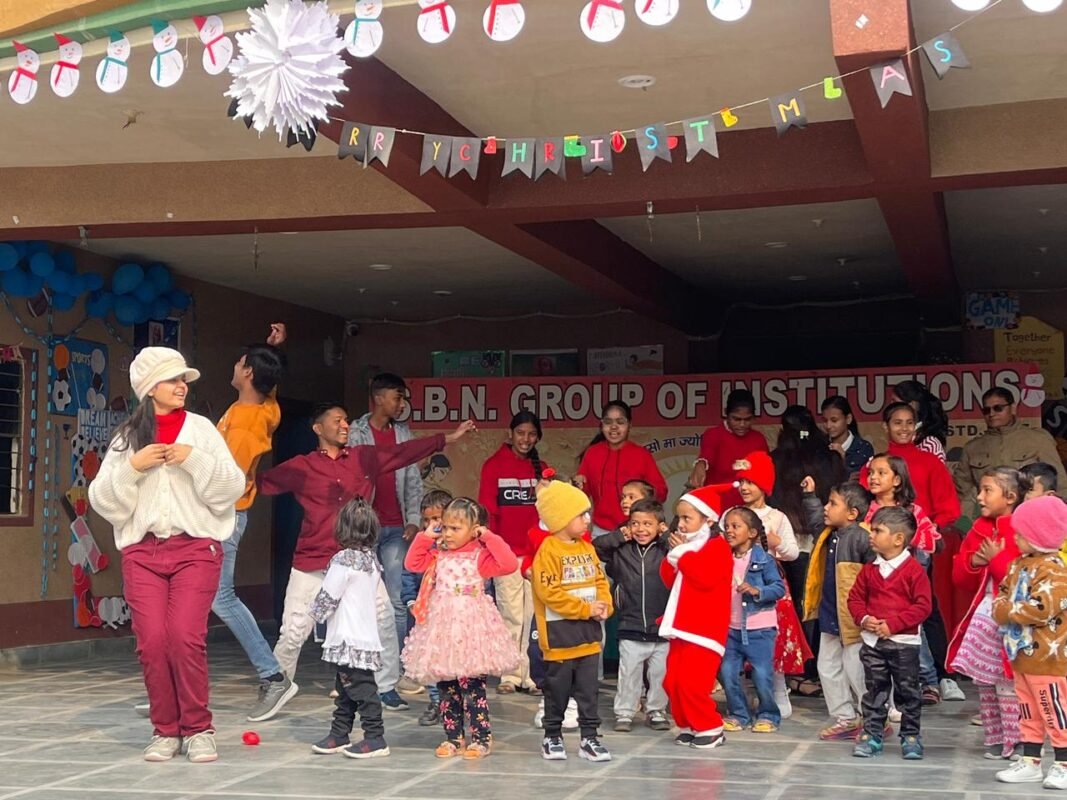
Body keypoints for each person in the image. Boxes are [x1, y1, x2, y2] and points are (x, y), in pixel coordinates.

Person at [258, 403, 475, 711]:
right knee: (293, 630)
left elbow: (404, 452)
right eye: (337, 420)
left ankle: (386, 687)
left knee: (383, 620)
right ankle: (276, 685)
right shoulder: (301, 467)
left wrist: (447, 438)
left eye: (346, 419)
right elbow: (259, 483)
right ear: (318, 429)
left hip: (359, 562)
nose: (345, 425)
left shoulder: (364, 458)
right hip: (313, 560)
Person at [89, 348, 245, 763]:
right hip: (143, 552)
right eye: (173, 379)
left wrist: (194, 460)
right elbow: (103, 500)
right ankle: (165, 730)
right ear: (149, 388)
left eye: (183, 380)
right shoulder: (127, 438)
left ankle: (198, 729)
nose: (182, 386)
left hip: (195, 548)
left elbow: (232, 487)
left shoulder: (201, 430)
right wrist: (133, 467)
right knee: (152, 642)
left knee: (184, 637)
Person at [213, 323, 297, 723]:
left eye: (240, 362)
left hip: (222, 515)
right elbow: (269, 384)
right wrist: (270, 350)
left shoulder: (247, 425)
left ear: (248, 372)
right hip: (223, 515)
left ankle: (273, 675)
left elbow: (224, 481)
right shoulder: (265, 407)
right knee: (196, 597)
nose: (234, 366)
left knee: (220, 597)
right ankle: (173, 688)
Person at [401, 497, 519, 759]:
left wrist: (488, 537)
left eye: (456, 528)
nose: (448, 533)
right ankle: (453, 737)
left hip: (471, 630)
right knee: (447, 687)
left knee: (473, 688)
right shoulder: (437, 554)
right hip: (444, 628)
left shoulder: (480, 556)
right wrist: (425, 536)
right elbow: (412, 564)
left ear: (474, 529)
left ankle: (481, 737)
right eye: (445, 527)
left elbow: (509, 564)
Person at [347, 373, 426, 689]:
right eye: (397, 397)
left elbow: (414, 482)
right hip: (364, 529)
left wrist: (413, 518)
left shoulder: (403, 434)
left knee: (396, 600)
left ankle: (398, 670)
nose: (401, 403)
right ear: (379, 398)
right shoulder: (355, 432)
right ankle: (357, 670)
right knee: (360, 599)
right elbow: (347, 478)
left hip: (396, 529)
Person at [532, 480, 614, 762]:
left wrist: (604, 605)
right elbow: (549, 593)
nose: (588, 519)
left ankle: (589, 737)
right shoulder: (548, 551)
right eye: (581, 514)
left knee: (589, 691)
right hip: (560, 637)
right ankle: (552, 736)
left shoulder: (587, 549)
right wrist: (584, 609)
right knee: (557, 690)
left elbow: (600, 580)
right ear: (561, 517)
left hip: (588, 637)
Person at [991, 495, 1067, 788]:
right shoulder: (1018, 564)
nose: (1015, 537)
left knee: (1054, 709)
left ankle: (1063, 763)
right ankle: (1031, 761)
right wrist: (1006, 607)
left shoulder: (1055, 569)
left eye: (1021, 533)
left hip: (1049, 659)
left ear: (1039, 535)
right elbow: (1002, 592)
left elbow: (1042, 608)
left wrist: (1007, 610)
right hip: (1022, 656)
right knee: (1027, 710)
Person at [948, 467, 1023, 761]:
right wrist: (974, 563)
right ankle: (995, 738)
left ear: (1010, 497)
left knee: (1009, 682)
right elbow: (960, 579)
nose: (979, 497)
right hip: (985, 613)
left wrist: (996, 559)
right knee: (985, 681)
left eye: (987, 490)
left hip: (1013, 615)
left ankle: (1018, 740)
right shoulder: (979, 528)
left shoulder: (1022, 529)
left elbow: (1018, 579)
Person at [847, 507, 932, 760]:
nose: (871, 535)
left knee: (908, 692)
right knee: (874, 691)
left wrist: (893, 625)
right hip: (873, 643)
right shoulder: (869, 569)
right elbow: (855, 599)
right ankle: (872, 734)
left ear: (898, 539)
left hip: (904, 643)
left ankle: (911, 736)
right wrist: (864, 619)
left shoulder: (914, 570)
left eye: (878, 531)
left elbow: (923, 606)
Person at [308, 499, 390, 759]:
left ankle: (375, 737)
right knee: (345, 688)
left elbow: (328, 597)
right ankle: (339, 733)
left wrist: (314, 615)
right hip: (365, 636)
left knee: (362, 690)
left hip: (347, 637)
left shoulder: (343, 560)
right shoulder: (371, 560)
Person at [733, 451, 811, 719]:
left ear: (764, 485)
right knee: (737, 635)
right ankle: (743, 693)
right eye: (741, 481)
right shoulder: (731, 515)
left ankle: (778, 691)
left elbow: (793, 552)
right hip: (736, 584)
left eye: (750, 482)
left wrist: (777, 544)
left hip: (768, 584)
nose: (744, 487)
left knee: (772, 638)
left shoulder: (777, 517)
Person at [478, 411, 549, 694]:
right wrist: (494, 550)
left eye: (531, 434)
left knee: (533, 618)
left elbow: (549, 514)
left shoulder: (543, 469)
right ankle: (510, 675)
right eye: (520, 433)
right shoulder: (493, 465)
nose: (525, 439)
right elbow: (487, 513)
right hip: (506, 555)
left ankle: (531, 676)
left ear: (538, 437)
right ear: (510, 434)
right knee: (510, 616)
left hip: (536, 555)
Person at [660, 483, 734, 750]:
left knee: (693, 684)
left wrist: (682, 555)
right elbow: (669, 580)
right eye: (679, 517)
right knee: (672, 682)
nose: (680, 524)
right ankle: (688, 724)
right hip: (681, 626)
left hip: (705, 629)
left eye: (687, 518)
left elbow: (704, 578)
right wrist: (675, 556)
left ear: (708, 520)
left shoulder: (718, 547)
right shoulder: (687, 548)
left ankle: (710, 726)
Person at [804, 481, 875, 742]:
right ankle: (845, 717)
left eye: (832, 503)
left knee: (857, 669)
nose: (826, 507)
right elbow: (815, 519)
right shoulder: (828, 533)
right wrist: (809, 495)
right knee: (827, 666)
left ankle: (873, 717)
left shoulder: (862, 538)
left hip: (853, 619)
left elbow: (876, 577)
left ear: (852, 513)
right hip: (829, 614)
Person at [593, 498, 671, 733]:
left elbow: (683, 551)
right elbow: (596, 547)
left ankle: (656, 710)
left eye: (648, 524)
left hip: (662, 625)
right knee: (629, 673)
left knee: (659, 674)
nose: (641, 529)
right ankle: (625, 712)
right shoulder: (621, 549)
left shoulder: (666, 549)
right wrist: (619, 536)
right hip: (630, 623)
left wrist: (666, 536)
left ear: (660, 526)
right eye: (635, 523)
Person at [720, 506, 786, 733]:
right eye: (726, 526)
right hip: (730, 628)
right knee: (728, 672)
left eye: (735, 526)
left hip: (760, 628)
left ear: (752, 533)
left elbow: (778, 588)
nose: (729, 530)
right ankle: (739, 714)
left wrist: (757, 591)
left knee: (762, 674)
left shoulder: (764, 559)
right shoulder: (722, 557)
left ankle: (768, 714)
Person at [955, 387, 1067, 520]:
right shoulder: (973, 447)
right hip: (990, 523)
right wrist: (967, 524)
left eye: (998, 408)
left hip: (1032, 519)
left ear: (1013, 408)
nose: (991, 414)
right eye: (986, 410)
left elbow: (1059, 482)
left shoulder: (1037, 439)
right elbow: (963, 491)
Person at [576, 400, 667, 538]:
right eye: (608, 422)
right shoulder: (592, 453)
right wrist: (577, 485)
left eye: (620, 422)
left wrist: (641, 496)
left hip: (635, 530)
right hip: (601, 531)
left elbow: (661, 492)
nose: (614, 427)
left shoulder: (641, 455)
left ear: (629, 425)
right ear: (602, 425)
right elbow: (581, 494)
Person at [401, 489, 452, 726]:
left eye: (437, 519)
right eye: (427, 520)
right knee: (431, 660)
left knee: (451, 660)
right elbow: (409, 571)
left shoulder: (457, 546)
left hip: (453, 614)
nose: (432, 524)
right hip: (427, 614)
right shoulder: (421, 544)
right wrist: (411, 600)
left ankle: (454, 702)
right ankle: (436, 701)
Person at [689, 389, 769, 508]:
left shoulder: (758, 439)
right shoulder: (713, 435)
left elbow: (765, 474)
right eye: (736, 419)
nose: (742, 424)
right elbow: (706, 455)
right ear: (726, 413)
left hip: (748, 507)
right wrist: (700, 464)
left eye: (747, 419)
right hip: (716, 505)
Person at [893, 380, 950, 463]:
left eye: (894, 401)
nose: (890, 406)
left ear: (912, 405)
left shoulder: (930, 443)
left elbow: (937, 471)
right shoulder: (901, 439)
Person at [821, 396, 875, 478]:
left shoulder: (863, 448)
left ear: (848, 419)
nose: (828, 426)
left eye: (834, 420)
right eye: (825, 420)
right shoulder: (820, 446)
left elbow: (861, 480)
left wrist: (843, 460)